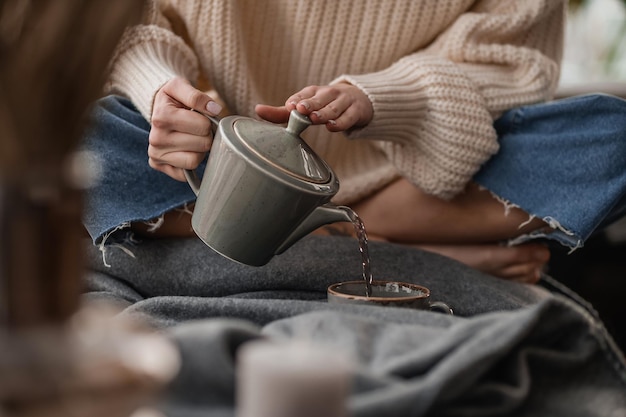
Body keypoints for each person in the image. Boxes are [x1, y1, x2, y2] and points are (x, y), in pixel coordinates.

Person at [81, 0, 626, 283]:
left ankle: (334, 228)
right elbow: (110, 22)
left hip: (410, 174)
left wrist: (386, 99)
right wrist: (158, 91)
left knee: (610, 138)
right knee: (76, 134)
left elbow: (512, 62)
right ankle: (394, 253)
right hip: (212, 169)